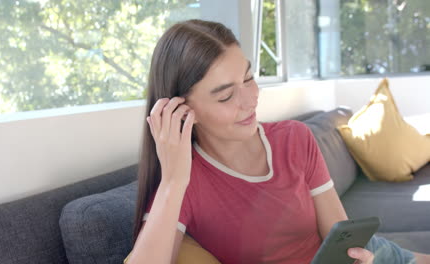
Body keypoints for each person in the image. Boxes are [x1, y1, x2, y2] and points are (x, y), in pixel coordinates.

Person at [125, 19, 430, 264]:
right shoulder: (181, 181)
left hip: (368, 253)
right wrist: (173, 181)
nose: (250, 100)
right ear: (182, 110)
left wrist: (356, 257)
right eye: (226, 95)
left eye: (248, 78)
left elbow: (339, 233)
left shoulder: (294, 138)